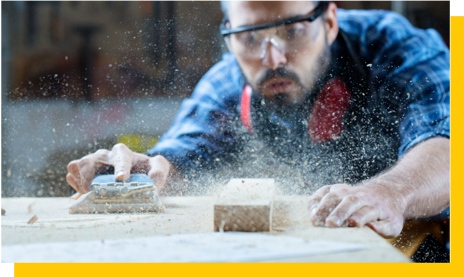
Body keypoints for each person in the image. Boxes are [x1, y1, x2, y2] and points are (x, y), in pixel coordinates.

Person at [66, 0, 450, 239]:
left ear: (329, 22)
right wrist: (147, 170)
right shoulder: (230, 79)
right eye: (250, 38)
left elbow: (449, 144)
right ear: (229, 36)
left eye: (292, 31)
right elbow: (181, 153)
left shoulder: (395, 45)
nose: (272, 59)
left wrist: (392, 193)